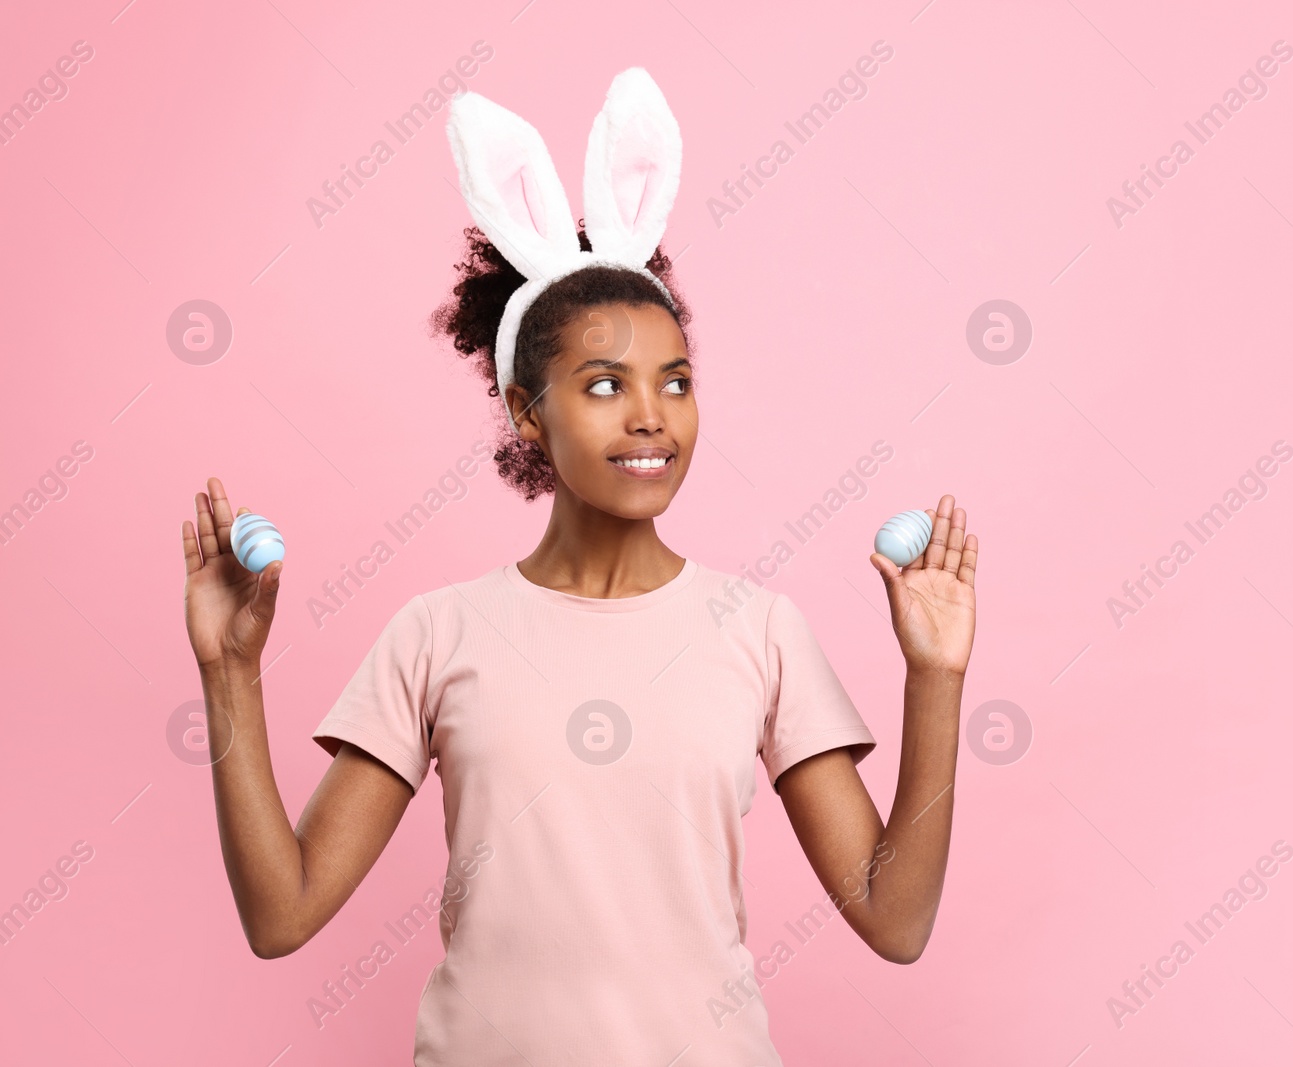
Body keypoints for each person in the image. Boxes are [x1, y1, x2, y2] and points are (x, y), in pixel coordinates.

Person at [181, 75, 978, 1067]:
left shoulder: (758, 629)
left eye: (675, 382)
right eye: (604, 385)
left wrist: (934, 678)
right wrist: (229, 672)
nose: (652, 415)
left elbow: (893, 919)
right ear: (527, 412)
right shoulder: (438, 633)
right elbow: (282, 911)